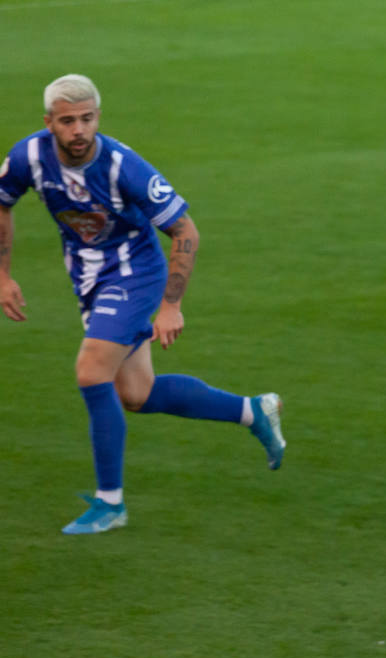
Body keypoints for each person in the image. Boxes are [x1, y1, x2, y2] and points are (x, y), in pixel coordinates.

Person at [0, 74, 285, 534]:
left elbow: (185, 230)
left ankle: (110, 503)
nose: (79, 130)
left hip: (135, 274)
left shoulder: (123, 166)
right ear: (49, 122)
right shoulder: (27, 156)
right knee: (135, 394)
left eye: (87, 119)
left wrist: (171, 306)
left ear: (98, 117)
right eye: (68, 121)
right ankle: (254, 410)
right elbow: (2, 200)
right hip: (88, 278)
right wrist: (3, 276)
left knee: (92, 370)